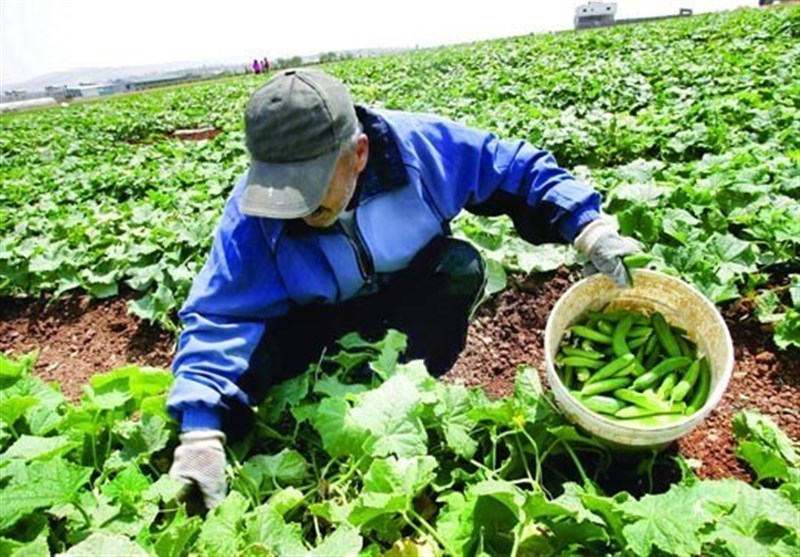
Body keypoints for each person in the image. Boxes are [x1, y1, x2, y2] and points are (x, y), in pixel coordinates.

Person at [167, 69, 642, 509]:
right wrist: (200, 432)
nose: (295, 205)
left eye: (309, 185)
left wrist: (587, 225)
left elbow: (511, 167)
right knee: (251, 355)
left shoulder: (421, 149)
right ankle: (310, 398)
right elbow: (221, 313)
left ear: (358, 153)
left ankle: (413, 386)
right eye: (281, 186)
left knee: (458, 267)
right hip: (313, 320)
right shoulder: (256, 211)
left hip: (403, 298)